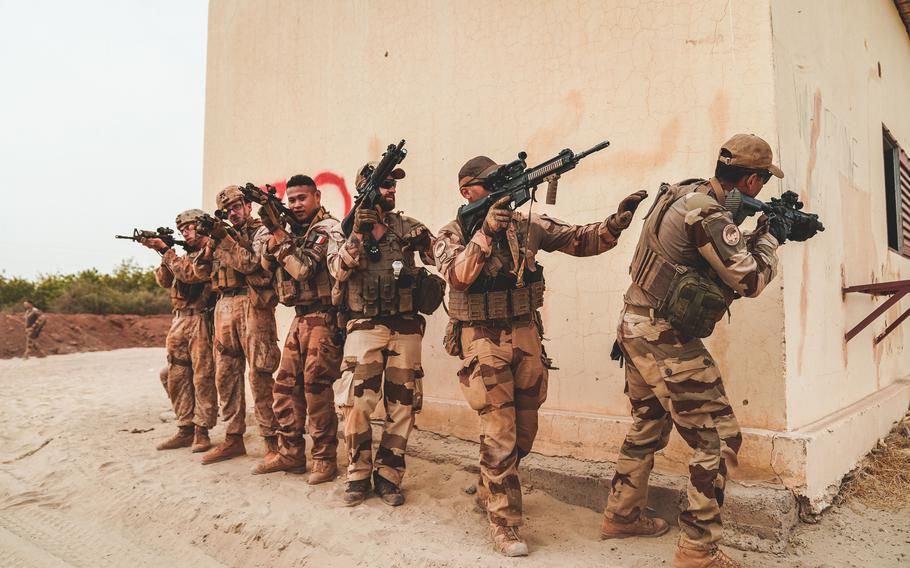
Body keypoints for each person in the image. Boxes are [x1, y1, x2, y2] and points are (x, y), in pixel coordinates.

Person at [433, 155, 647, 556]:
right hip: (482, 340)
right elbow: (458, 276)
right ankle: (505, 524)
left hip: (526, 335)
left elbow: (580, 239)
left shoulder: (525, 223)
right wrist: (485, 233)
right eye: (488, 184)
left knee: (524, 432)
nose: (498, 191)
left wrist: (614, 223)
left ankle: (487, 488)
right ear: (467, 192)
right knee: (500, 432)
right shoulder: (452, 231)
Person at [602, 134, 785, 568]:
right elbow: (750, 281)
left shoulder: (685, 193)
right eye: (763, 181)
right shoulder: (707, 211)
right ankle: (698, 550)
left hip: (635, 323)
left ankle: (621, 514)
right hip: (663, 336)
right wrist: (773, 237)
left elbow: (705, 250)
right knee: (718, 439)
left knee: (649, 421)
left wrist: (754, 228)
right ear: (753, 179)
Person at [328, 161, 435, 507]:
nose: (391, 189)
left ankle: (388, 476)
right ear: (369, 189)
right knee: (357, 404)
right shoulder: (346, 229)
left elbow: (440, 256)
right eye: (385, 184)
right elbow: (338, 272)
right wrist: (358, 234)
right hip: (364, 327)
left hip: (405, 326)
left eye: (394, 184)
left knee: (403, 406)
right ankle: (358, 475)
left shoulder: (408, 226)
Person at [252, 175, 343, 484]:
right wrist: (275, 232)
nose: (296, 205)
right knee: (284, 387)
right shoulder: (293, 231)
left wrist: (279, 232)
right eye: (291, 200)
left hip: (324, 317)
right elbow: (265, 266)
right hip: (300, 317)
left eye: (302, 198)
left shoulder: (327, 229)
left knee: (316, 388)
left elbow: (303, 269)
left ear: (317, 196)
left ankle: (324, 459)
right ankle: (290, 452)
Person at [198, 186, 281, 466]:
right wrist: (212, 240)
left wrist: (224, 238)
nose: (233, 213)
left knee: (260, 373)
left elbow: (251, 264)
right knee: (225, 373)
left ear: (247, 204)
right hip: (223, 304)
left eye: (236, 206)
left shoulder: (261, 232)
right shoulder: (221, 236)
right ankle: (233, 438)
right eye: (228, 210)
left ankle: (272, 439)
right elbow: (201, 269)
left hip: (252, 303)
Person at [144, 209, 217, 452]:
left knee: (202, 376)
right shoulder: (180, 255)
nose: (185, 232)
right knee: (176, 373)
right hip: (179, 319)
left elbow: (191, 275)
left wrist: (167, 251)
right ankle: (184, 426)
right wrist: (162, 254)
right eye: (181, 229)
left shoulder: (207, 253)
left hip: (200, 318)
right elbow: (164, 280)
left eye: (189, 227)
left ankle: (201, 430)